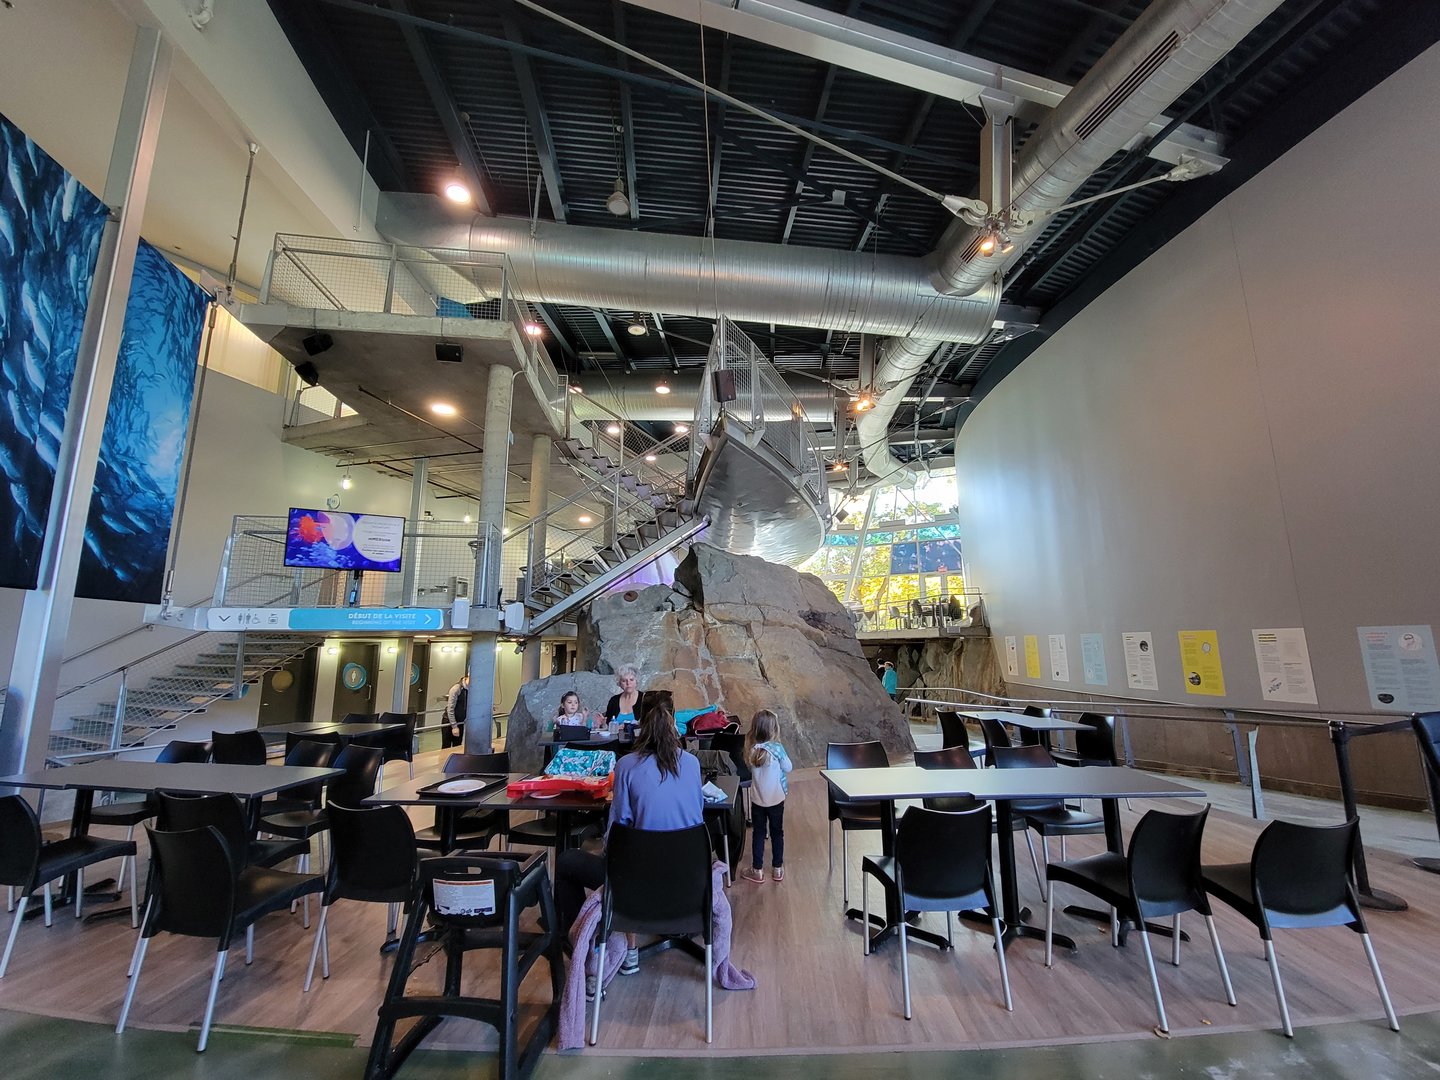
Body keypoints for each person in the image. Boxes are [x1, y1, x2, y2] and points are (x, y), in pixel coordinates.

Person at [553, 696, 703, 980]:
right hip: (688, 878)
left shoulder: (627, 765)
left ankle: (583, 947)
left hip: (635, 880)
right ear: (674, 726)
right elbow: (697, 814)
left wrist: (607, 852)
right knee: (635, 859)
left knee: (568, 861)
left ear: (640, 726)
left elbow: (618, 825)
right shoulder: (692, 764)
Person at [740, 709, 792, 884]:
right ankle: (777, 869)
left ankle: (757, 871)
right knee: (777, 833)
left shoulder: (751, 749)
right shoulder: (777, 750)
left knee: (759, 833)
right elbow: (789, 767)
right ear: (773, 729)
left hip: (758, 801)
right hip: (776, 800)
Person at [444, 674, 469, 748]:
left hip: (460, 722)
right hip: (449, 721)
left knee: (457, 746)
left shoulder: (471, 690)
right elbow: (450, 708)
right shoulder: (456, 689)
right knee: (446, 747)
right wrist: (454, 726)